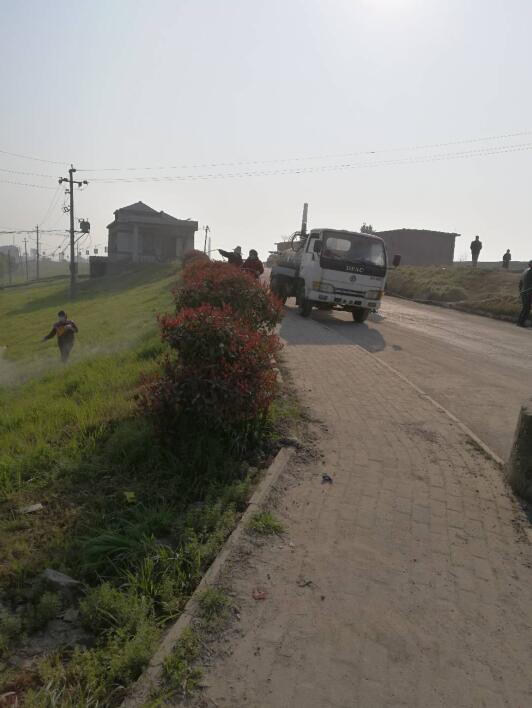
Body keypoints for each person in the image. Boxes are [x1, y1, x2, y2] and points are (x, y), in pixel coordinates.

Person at [517, 260, 532, 327]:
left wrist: (520, 291)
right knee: (526, 308)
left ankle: (519, 322)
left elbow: (520, 282)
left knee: (525, 308)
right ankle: (521, 323)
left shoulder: (525, 271)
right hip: (529, 292)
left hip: (523, 292)